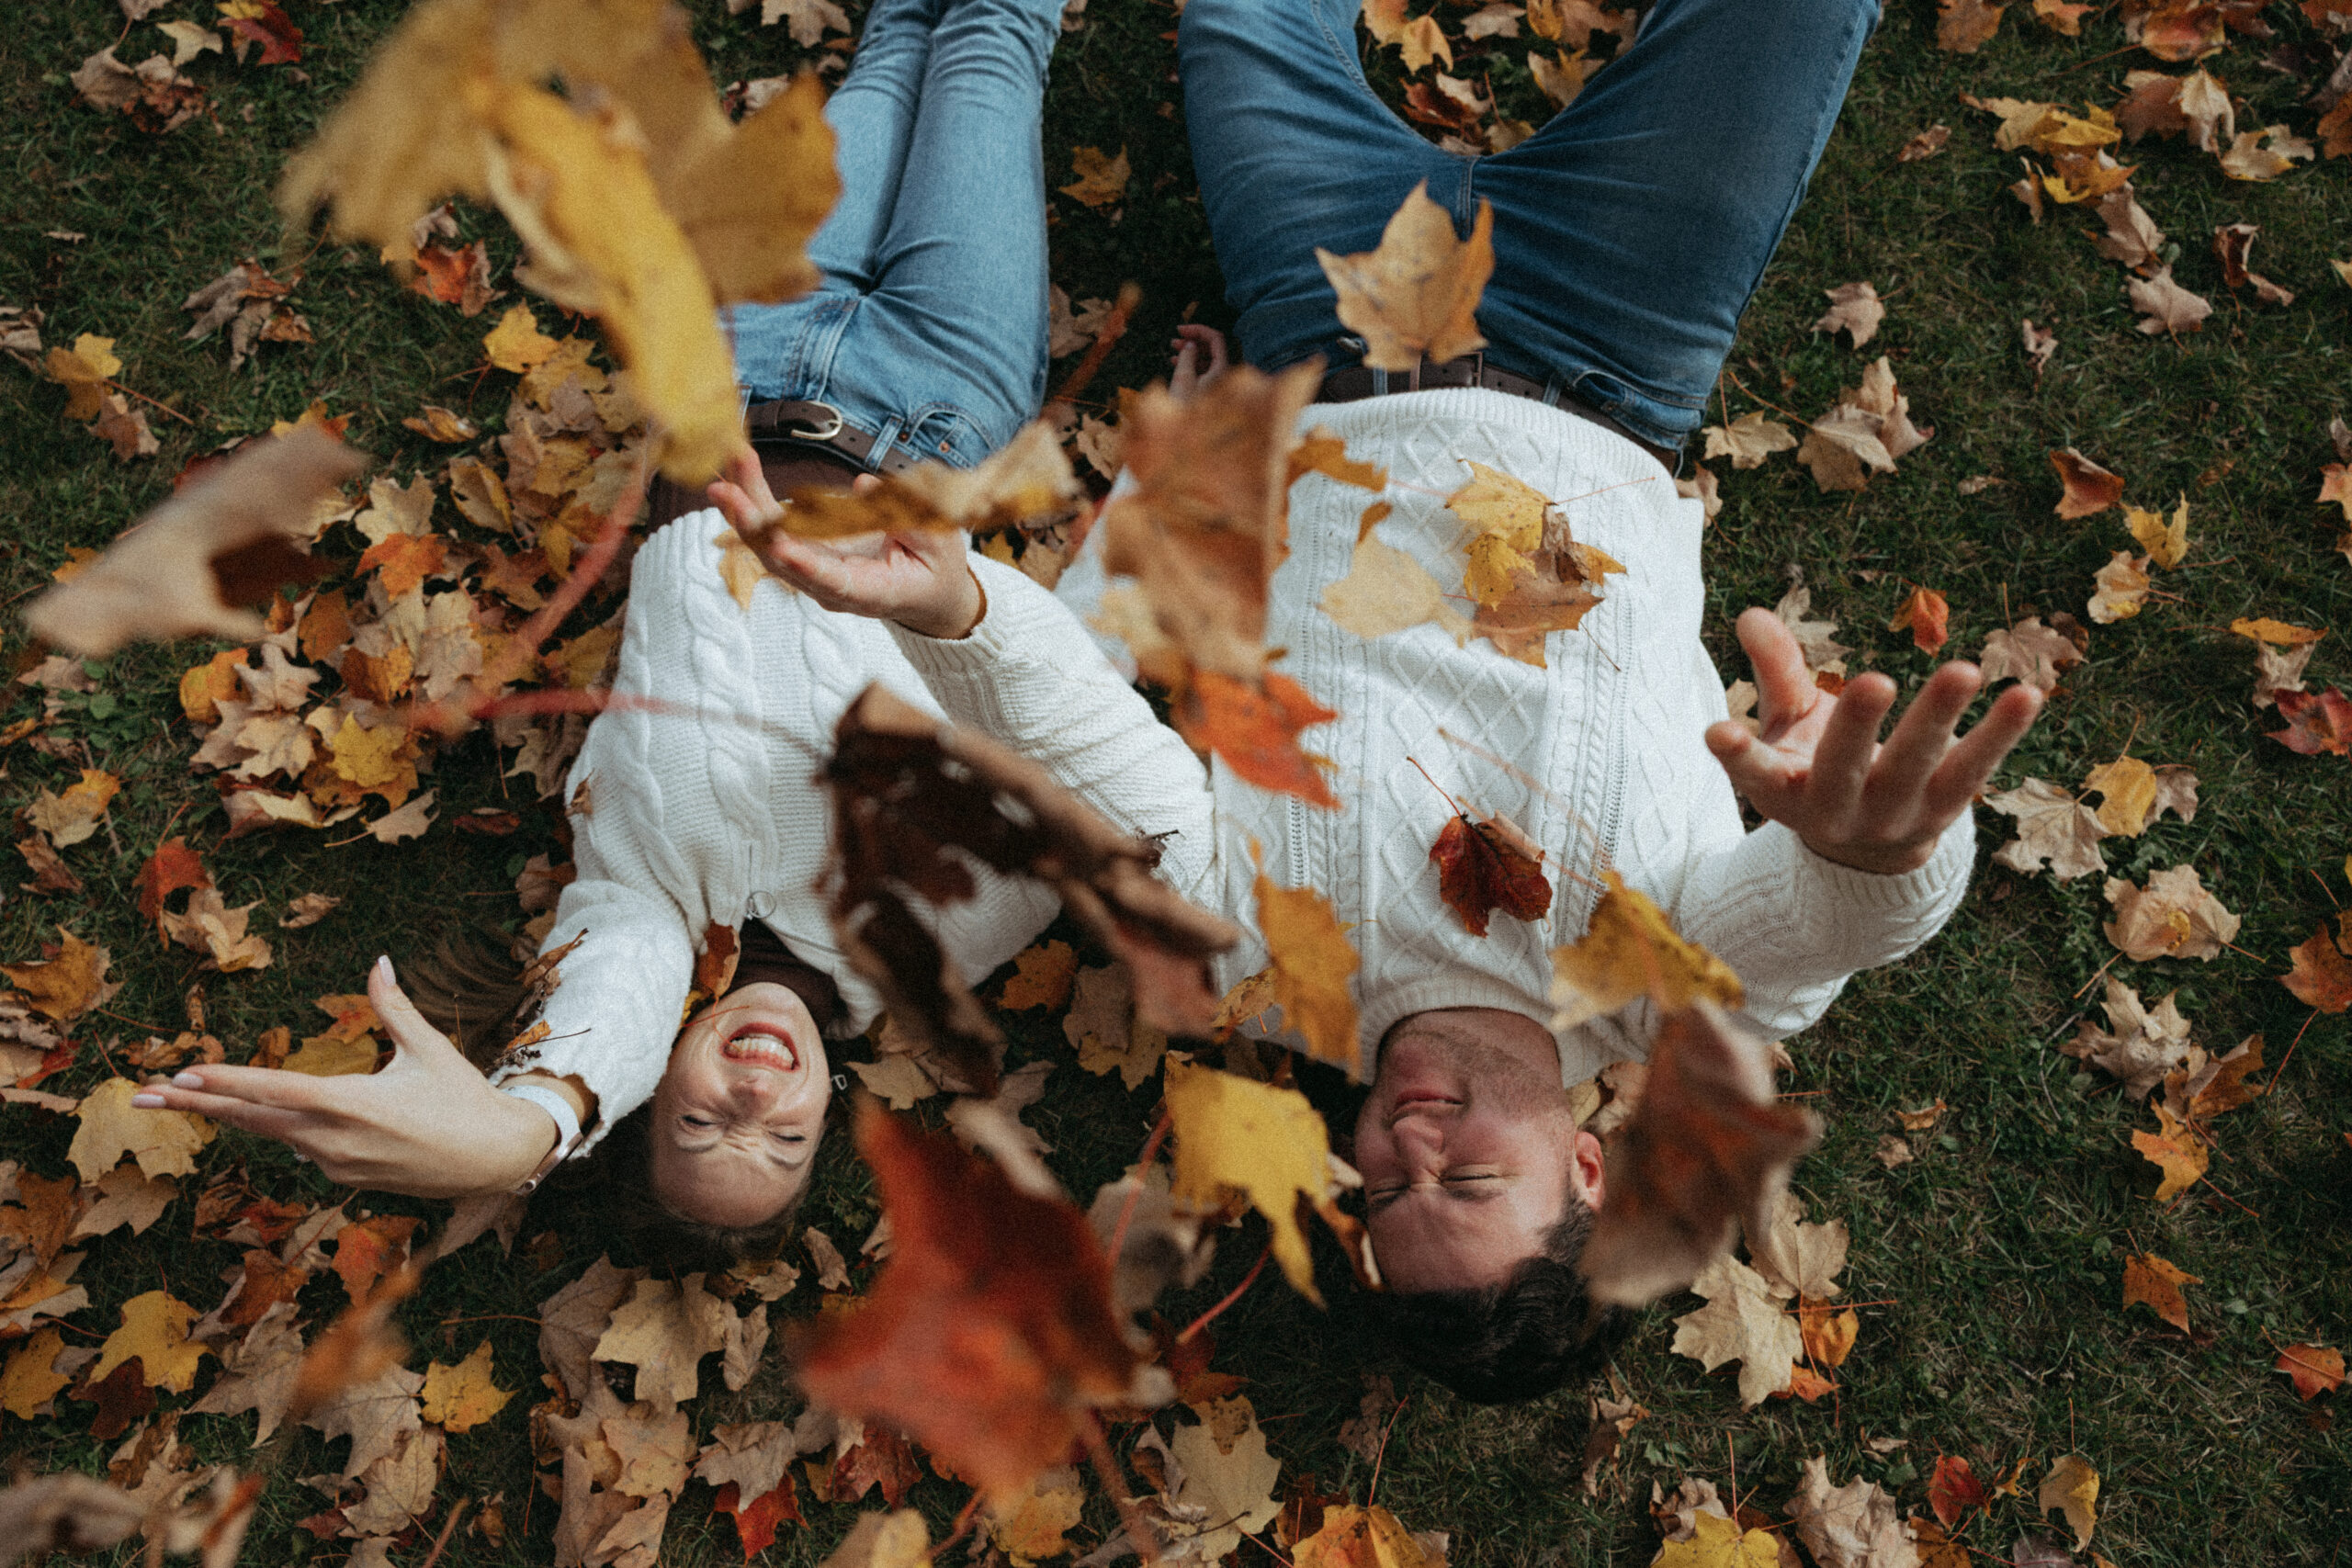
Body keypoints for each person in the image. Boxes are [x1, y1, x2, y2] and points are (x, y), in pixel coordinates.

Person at [710, 0, 2044, 1400]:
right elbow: (1824, 930)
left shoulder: (1256, 969)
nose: (1408, 1149)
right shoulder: (1660, 987)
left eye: (1387, 1196)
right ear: (1587, 1161)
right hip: (1616, 335)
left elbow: (1089, 759)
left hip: (1321, 311)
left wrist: (954, 609)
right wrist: (1889, 856)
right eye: (1469, 1178)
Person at [131, 0, 1096, 1265]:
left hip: (743, 368)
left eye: (701, 1128)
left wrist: (522, 1134)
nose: (754, 1101)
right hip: (944, 402)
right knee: (989, 47)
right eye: (783, 1142)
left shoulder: (641, 914)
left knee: (898, 45)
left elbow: (602, 1026)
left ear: (656, 1089)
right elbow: (1083, 699)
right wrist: (1153, 500)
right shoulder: (952, 934)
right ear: (827, 1116)